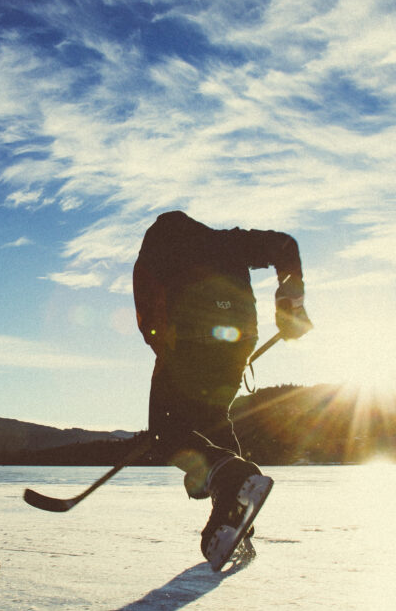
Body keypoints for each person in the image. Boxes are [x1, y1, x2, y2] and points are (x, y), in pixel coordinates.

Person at [133, 211, 312, 569]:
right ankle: (232, 515)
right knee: (213, 424)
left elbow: (150, 314)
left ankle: (228, 480)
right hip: (238, 342)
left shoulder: (155, 254)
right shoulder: (227, 240)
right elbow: (285, 246)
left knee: (167, 435)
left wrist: (164, 350)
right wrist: (290, 305)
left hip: (188, 341)